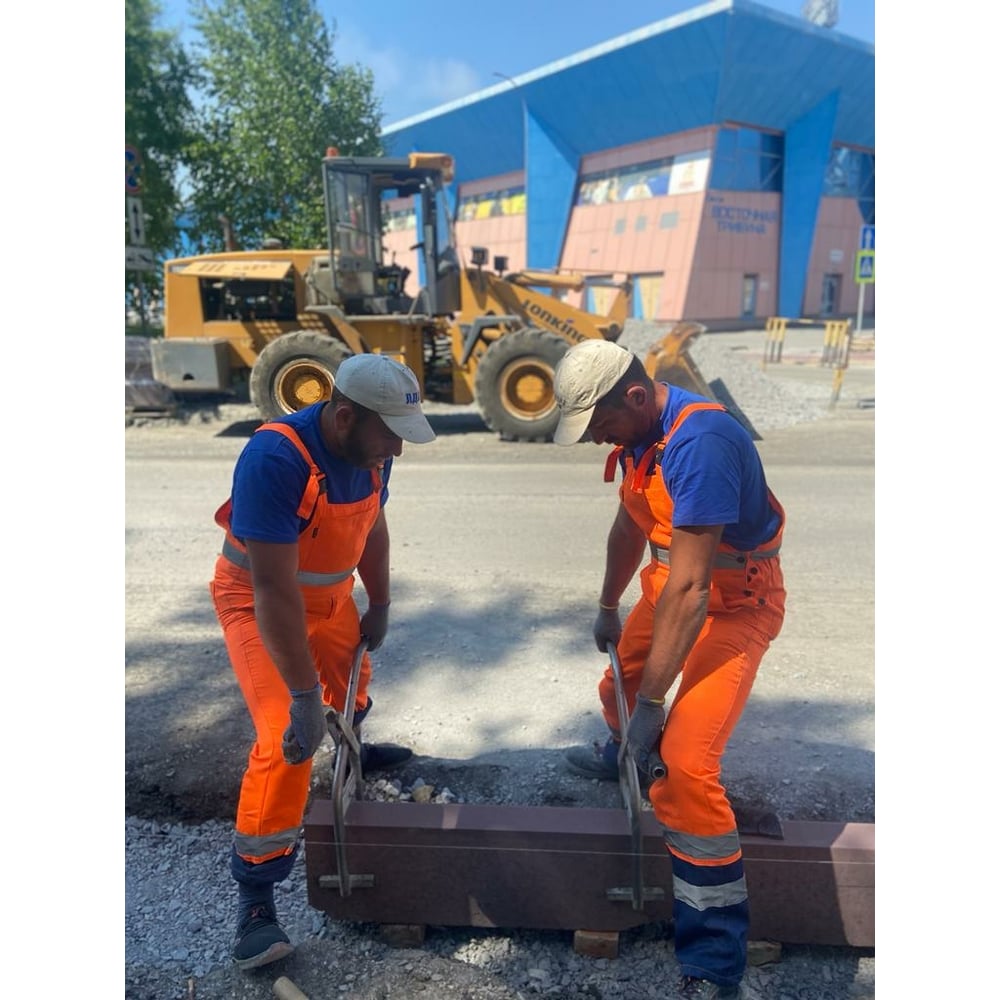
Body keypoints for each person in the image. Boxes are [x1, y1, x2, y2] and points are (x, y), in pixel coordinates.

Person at [552, 339, 786, 1000]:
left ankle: (713, 959)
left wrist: (655, 707)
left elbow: (694, 590)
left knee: (684, 766)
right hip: (670, 587)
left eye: (599, 424)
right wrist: (607, 606)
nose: (596, 439)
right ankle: (624, 754)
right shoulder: (638, 438)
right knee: (617, 687)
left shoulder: (700, 443)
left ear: (634, 396)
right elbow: (630, 530)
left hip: (734, 603)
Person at [210, 353, 436, 971]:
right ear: (343, 418)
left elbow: (374, 528)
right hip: (258, 602)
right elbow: (273, 590)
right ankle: (256, 900)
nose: (397, 449)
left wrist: (380, 601)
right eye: (390, 435)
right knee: (283, 736)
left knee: (352, 683)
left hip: (330, 596)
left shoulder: (371, 451)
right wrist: (304, 698)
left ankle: (351, 750)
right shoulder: (275, 458)